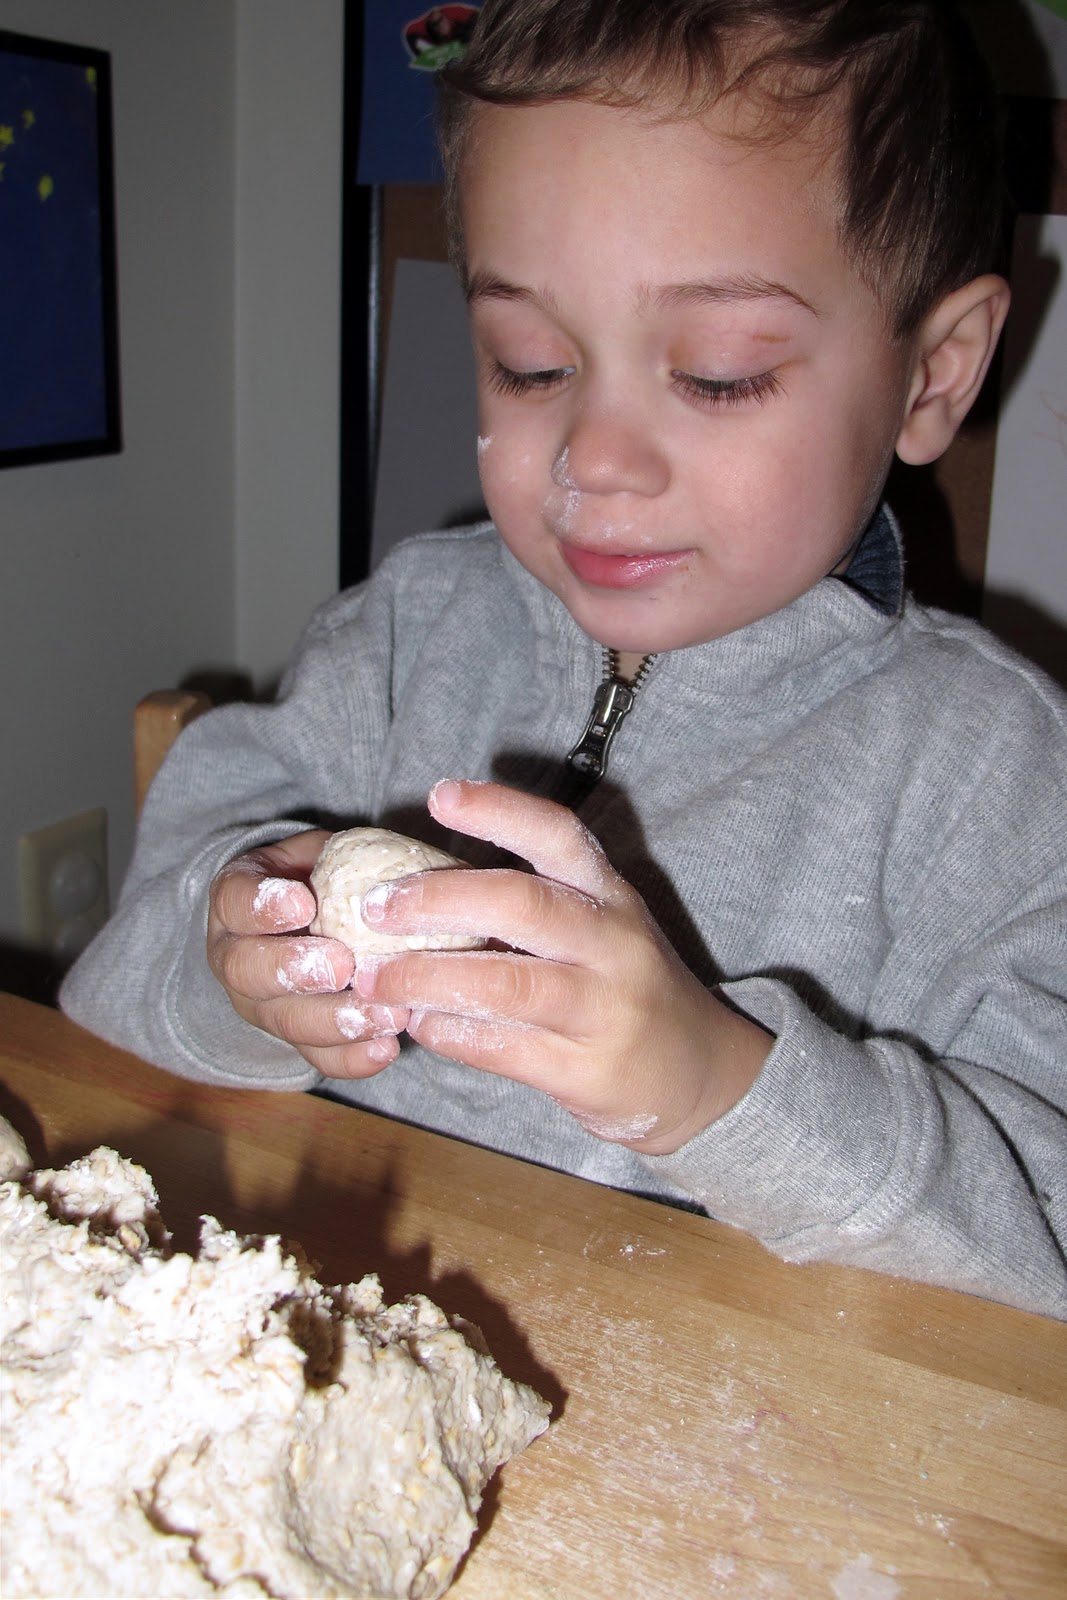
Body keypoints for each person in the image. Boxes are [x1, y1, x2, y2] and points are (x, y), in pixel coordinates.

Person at [61, 0, 1067, 1319]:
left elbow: (1039, 1247)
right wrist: (232, 968)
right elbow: (109, 993)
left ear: (933, 375)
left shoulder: (992, 775)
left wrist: (725, 1088)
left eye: (715, 374)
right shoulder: (403, 632)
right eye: (530, 362)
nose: (593, 455)